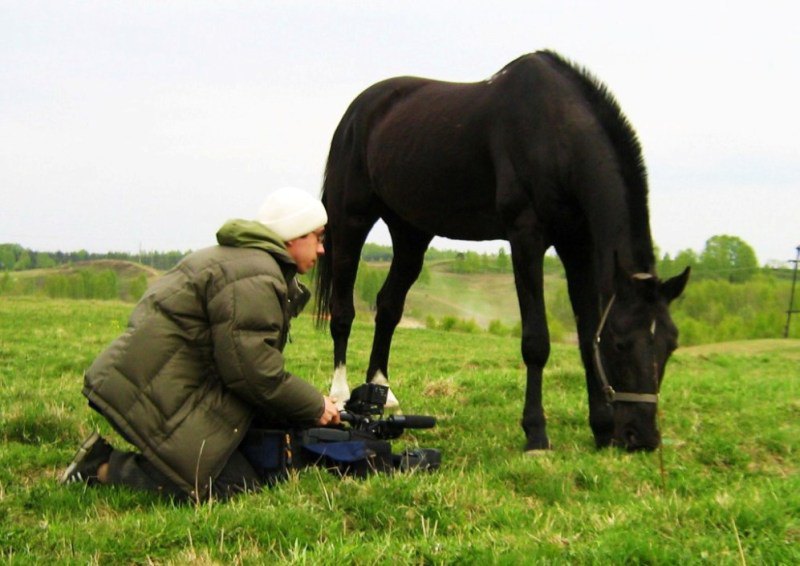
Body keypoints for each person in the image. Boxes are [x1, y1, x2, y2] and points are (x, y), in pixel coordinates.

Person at [59, 187, 339, 501]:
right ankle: (101, 467)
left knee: (256, 463)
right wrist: (314, 405)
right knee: (233, 487)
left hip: (165, 384)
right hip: (154, 391)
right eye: (317, 237)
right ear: (292, 236)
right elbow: (252, 371)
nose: (321, 249)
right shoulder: (256, 275)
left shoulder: (252, 266)